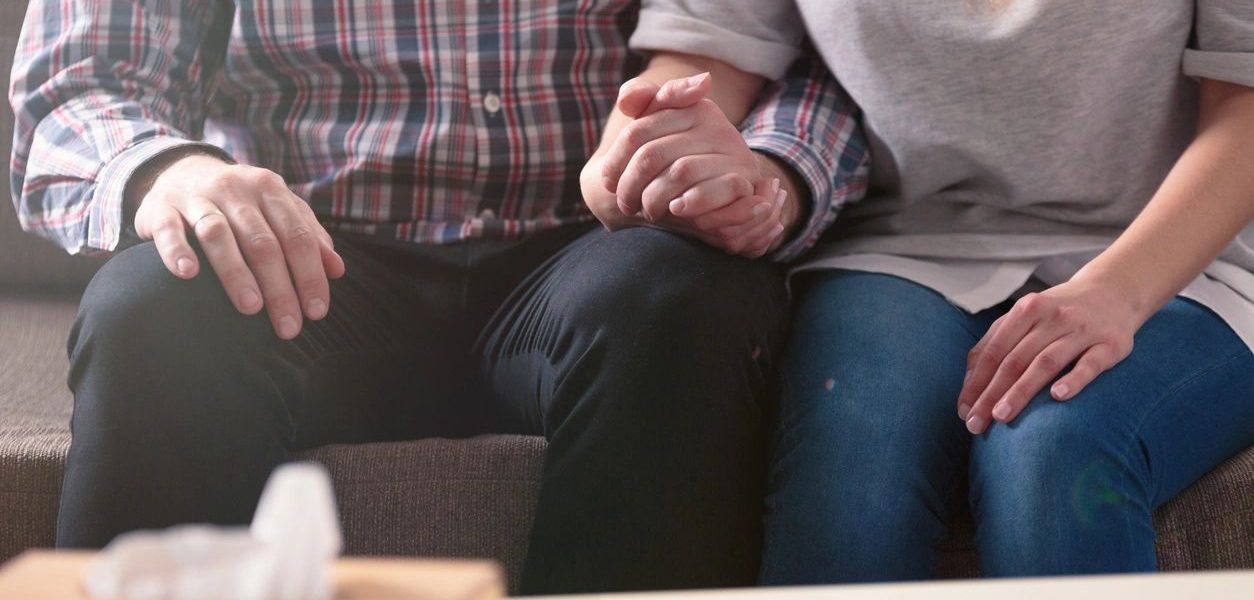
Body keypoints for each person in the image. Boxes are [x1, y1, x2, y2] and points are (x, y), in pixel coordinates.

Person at [8, 0, 867, 593]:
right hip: (308, 246)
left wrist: (769, 171)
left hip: (594, 247)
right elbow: (79, 82)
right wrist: (172, 170)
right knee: (157, 313)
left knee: (679, 303)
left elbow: (821, 42)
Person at [597, 0, 1254, 583]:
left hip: (1191, 256)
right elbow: (690, 67)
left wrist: (1117, 292)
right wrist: (661, 154)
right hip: (909, 248)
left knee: (1052, 453)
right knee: (850, 480)